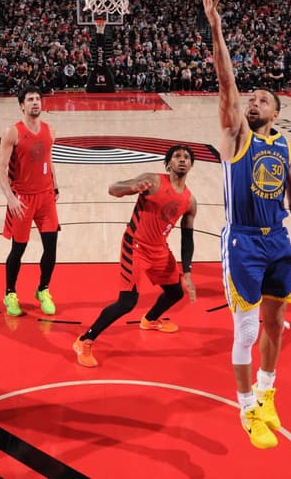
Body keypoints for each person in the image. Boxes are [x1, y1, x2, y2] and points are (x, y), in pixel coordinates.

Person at [201, 0, 291, 450]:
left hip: (278, 240)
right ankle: (245, 408)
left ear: (277, 112)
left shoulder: (286, 147)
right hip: (241, 243)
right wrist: (216, 28)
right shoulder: (236, 135)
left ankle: (267, 391)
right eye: (250, 98)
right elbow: (225, 84)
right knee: (246, 328)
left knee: (275, 325)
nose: (253, 103)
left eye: (262, 100)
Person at [73, 145, 198, 368]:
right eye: (177, 156)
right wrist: (131, 187)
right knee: (127, 302)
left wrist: (187, 270)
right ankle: (85, 340)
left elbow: (187, 237)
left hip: (159, 249)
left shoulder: (190, 201)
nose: (182, 160)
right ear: (168, 163)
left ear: (191, 165)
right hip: (136, 247)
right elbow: (113, 189)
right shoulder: (153, 181)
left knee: (175, 292)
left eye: (186, 157)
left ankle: (149, 320)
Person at [0, 84, 59, 317]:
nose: (35, 103)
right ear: (22, 105)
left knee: (51, 248)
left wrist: (56, 185)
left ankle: (43, 289)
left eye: (38, 99)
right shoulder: (12, 132)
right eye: (30, 99)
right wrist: (10, 198)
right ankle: (10, 293)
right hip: (22, 199)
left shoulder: (49, 130)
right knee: (18, 249)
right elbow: (0, 169)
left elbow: (48, 159)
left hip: (46, 196)